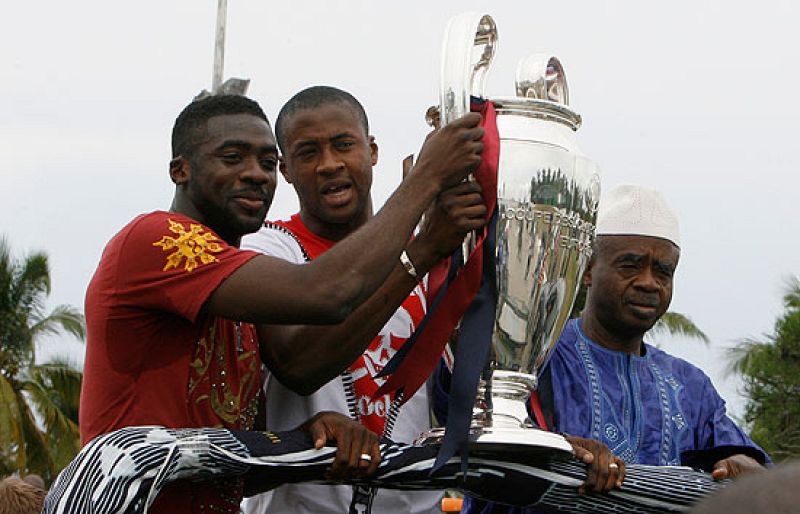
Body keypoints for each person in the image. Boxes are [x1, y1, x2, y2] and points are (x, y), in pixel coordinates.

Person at [78, 94, 484, 514]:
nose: (255, 174)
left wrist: (304, 439)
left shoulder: (240, 306)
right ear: (180, 170)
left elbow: (237, 470)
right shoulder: (155, 239)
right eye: (232, 157)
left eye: (266, 163)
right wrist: (425, 183)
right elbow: (325, 296)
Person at [239, 85, 488, 514]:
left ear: (372, 151)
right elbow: (299, 366)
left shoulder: (433, 247)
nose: (329, 164)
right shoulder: (269, 251)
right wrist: (422, 245)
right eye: (308, 153)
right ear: (286, 169)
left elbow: (466, 396)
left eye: (344, 145)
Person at [453, 185, 770, 513]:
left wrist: (740, 464)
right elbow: (475, 433)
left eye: (663, 271)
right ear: (588, 270)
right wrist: (561, 451)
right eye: (630, 265)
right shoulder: (530, 353)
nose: (649, 282)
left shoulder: (691, 386)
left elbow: (739, 455)